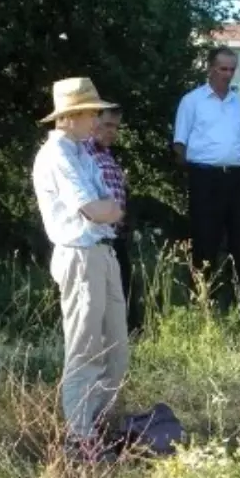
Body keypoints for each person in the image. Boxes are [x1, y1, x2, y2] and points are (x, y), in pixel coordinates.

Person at [32, 77, 129, 462]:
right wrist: (108, 208)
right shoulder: (57, 155)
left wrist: (109, 208)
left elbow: (112, 205)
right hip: (78, 253)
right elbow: (97, 207)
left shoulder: (81, 153)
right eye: (91, 113)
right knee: (85, 348)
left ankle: (96, 423)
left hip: (103, 252)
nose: (97, 119)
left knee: (116, 347)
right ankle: (79, 438)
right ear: (71, 117)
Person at [172, 46, 240, 298]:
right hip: (205, 177)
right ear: (210, 68)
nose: (227, 74)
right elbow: (179, 144)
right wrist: (194, 173)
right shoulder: (192, 101)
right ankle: (202, 295)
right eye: (223, 69)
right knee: (205, 236)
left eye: (232, 69)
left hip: (237, 176)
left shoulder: (238, 102)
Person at [85, 104, 145, 334]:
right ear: (93, 122)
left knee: (123, 286)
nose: (112, 132)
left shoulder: (107, 154)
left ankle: (129, 334)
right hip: (95, 236)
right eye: (107, 125)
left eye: (116, 127)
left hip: (114, 234)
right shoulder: (85, 154)